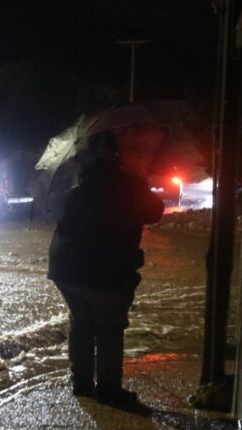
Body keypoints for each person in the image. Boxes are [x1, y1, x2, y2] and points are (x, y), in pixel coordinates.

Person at [47, 131, 165, 405]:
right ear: (117, 154)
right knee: (110, 327)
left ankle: (82, 384)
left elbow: (62, 218)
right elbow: (155, 211)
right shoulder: (129, 184)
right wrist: (140, 182)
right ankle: (110, 390)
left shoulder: (78, 185)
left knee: (81, 322)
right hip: (106, 270)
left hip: (67, 268)